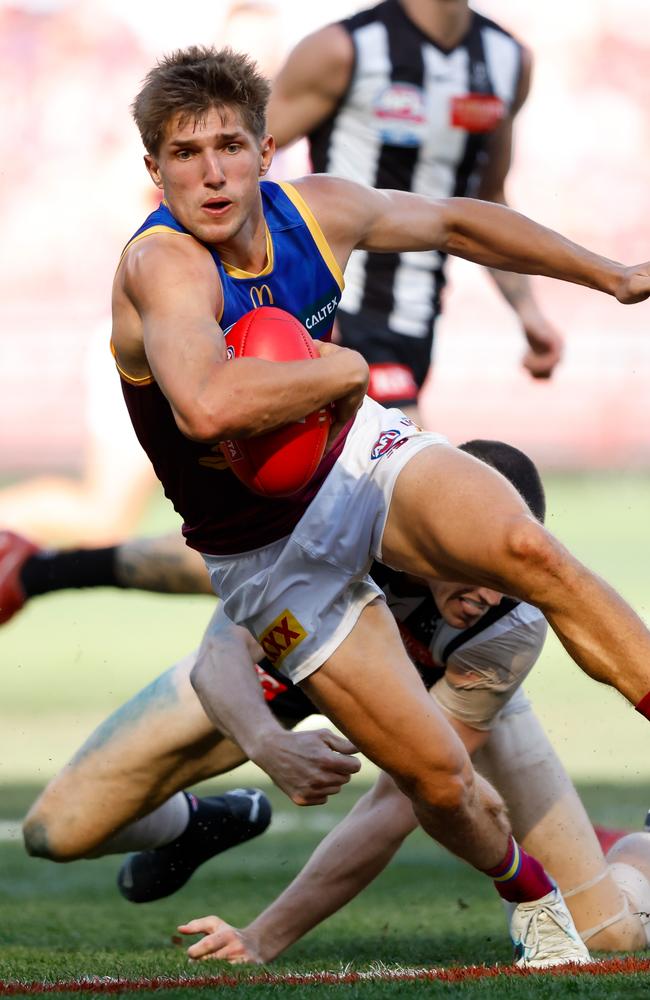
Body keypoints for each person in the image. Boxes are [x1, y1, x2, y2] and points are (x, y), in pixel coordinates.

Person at [103, 44, 650, 966]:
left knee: (533, 553)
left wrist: (611, 275)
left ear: (267, 148)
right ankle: (531, 896)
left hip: (355, 457)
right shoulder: (164, 265)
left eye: (229, 146)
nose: (211, 171)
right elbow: (202, 407)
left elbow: (456, 222)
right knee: (439, 780)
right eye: (185, 154)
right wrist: (345, 368)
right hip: (264, 554)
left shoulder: (318, 214)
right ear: (153, 170)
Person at [19, 442, 650, 956]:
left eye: (507, 575)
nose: (491, 592)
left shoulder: (505, 629)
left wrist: (267, 934)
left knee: (610, 936)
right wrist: (269, 745)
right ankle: (199, 822)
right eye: (481, 566)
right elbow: (220, 658)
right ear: (446, 532)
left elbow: (403, 803)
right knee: (56, 831)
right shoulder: (341, 532)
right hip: (285, 674)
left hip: (452, 712)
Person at [267, 0, 564, 416]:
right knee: (428, 466)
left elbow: (488, 197)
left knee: (349, 478)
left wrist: (528, 311)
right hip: (338, 310)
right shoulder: (342, 49)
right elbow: (244, 161)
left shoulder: (507, 60)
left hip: (420, 314)